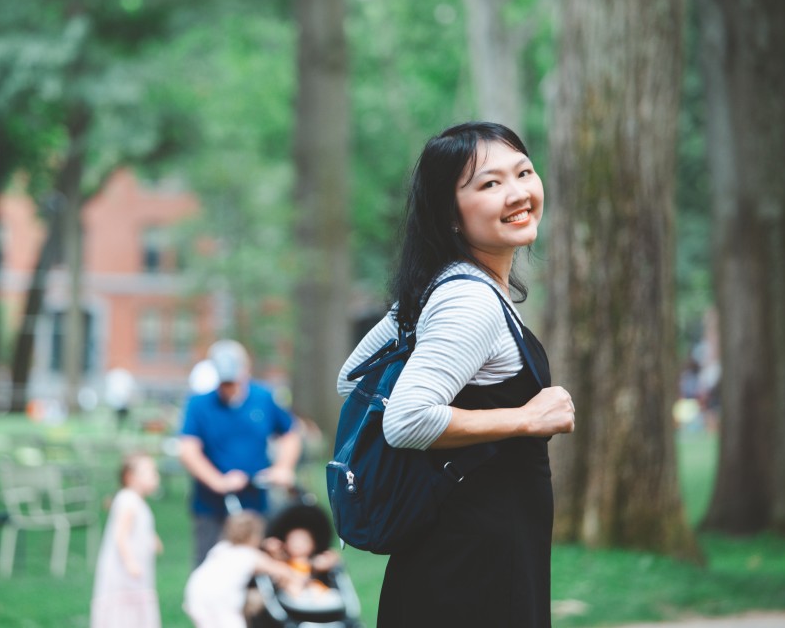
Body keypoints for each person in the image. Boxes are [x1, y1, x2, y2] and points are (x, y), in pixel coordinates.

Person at [337, 122, 575, 627]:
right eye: (489, 184)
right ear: (450, 213)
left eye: (523, 173)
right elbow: (405, 419)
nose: (517, 193)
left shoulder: (443, 287)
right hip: (474, 568)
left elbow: (352, 381)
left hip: (464, 553)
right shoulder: (468, 299)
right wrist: (526, 419)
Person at [179, 340, 302, 567]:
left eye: (233, 381)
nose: (229, 388)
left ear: (246, 369)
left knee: (259, 566)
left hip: (256, 503)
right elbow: (188, 450)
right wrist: (218, 482)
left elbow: (290, 434)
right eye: (224, 382)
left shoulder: (263, 397)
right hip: (212, 507)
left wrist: (283, 468)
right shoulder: (198, 404)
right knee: (210, 567)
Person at [183, 510, 302, 628]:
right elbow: (282, 570)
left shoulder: (222, 547)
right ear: (255, 536)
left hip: (196, 592)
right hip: (221, 599)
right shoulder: (250, 554)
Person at [90, 453, 162, 628]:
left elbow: (141, 528)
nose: (155, 477)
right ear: (130, 477)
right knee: (125, 613)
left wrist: (153, 539)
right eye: (149, 472)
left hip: (134, 574)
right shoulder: (128, 500)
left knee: (135, 610)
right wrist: (130, 562)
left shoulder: (135, 501)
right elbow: (120, 534)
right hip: (123, 574)